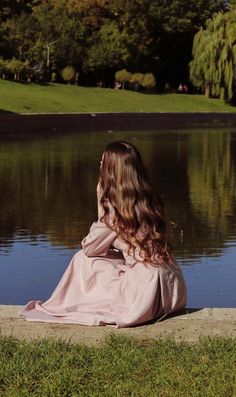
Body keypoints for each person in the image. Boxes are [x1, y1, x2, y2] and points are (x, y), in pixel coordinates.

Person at [20, 141, 187, 328]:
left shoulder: (116, 210)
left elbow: (90, 248)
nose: (99, 166)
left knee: (82, 259)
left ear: (111, 170)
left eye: (102, 163)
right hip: (172, 287)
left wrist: (100, 202)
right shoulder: (149, 199)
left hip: (145, 290)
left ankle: (71, 302)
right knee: (105, 259)